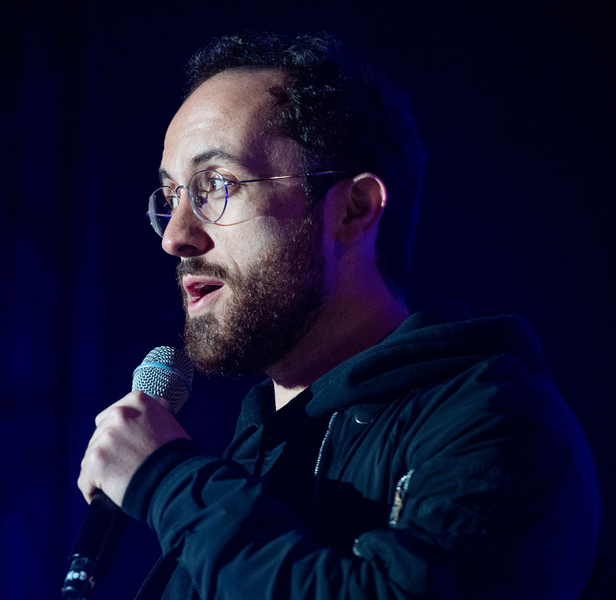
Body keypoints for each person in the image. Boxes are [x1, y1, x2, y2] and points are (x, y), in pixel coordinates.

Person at [78, 32, 601, 599]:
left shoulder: (494, 421)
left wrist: (166, 483)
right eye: (172, 195)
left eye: (217, 186)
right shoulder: (254, 460)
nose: (176, 237)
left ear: (353, 210)